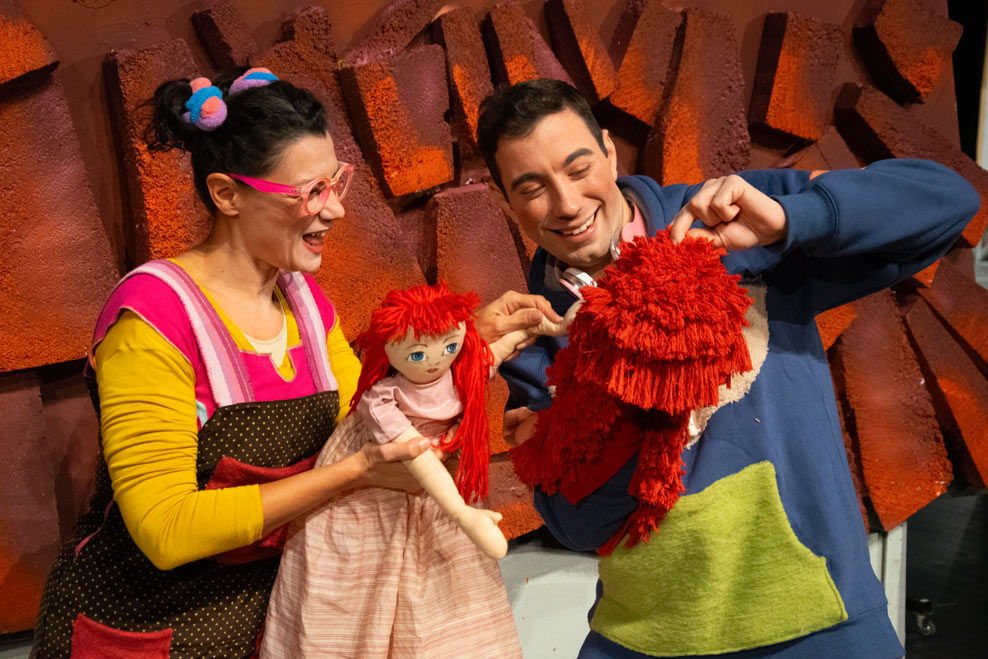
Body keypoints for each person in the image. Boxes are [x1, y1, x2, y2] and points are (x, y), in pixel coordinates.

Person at [31, 68, 556, 658]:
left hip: (269, 623)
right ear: (227, 194)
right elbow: (167, 529)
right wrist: (353, 473)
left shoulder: (305, 303)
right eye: (311, 192)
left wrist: (463, 347)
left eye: (336, 183)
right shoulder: (153, 317)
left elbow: (373, 419)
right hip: (142, 630)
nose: (335, 210)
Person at [476, 78, 980, 659]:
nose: (566, 204)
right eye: (532, 188)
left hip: (820, 626)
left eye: (579, 168)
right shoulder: (533, 338)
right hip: (642, 641)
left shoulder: (731, 217)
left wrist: (791, 219)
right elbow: (577, 527)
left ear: (610, 153)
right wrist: (621, 398)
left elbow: (949, 201)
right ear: (507, 201)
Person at [262, 281, 547, 658]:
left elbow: (492, 353)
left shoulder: (456, 372)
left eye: (448, 347)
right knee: (351, 608)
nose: (434, 362)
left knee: (450, 609)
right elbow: (414, 454)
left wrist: (550, 326)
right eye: (418, 353)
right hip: (367, 500)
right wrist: (460, 512)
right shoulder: (382, 400)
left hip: (436, 497)